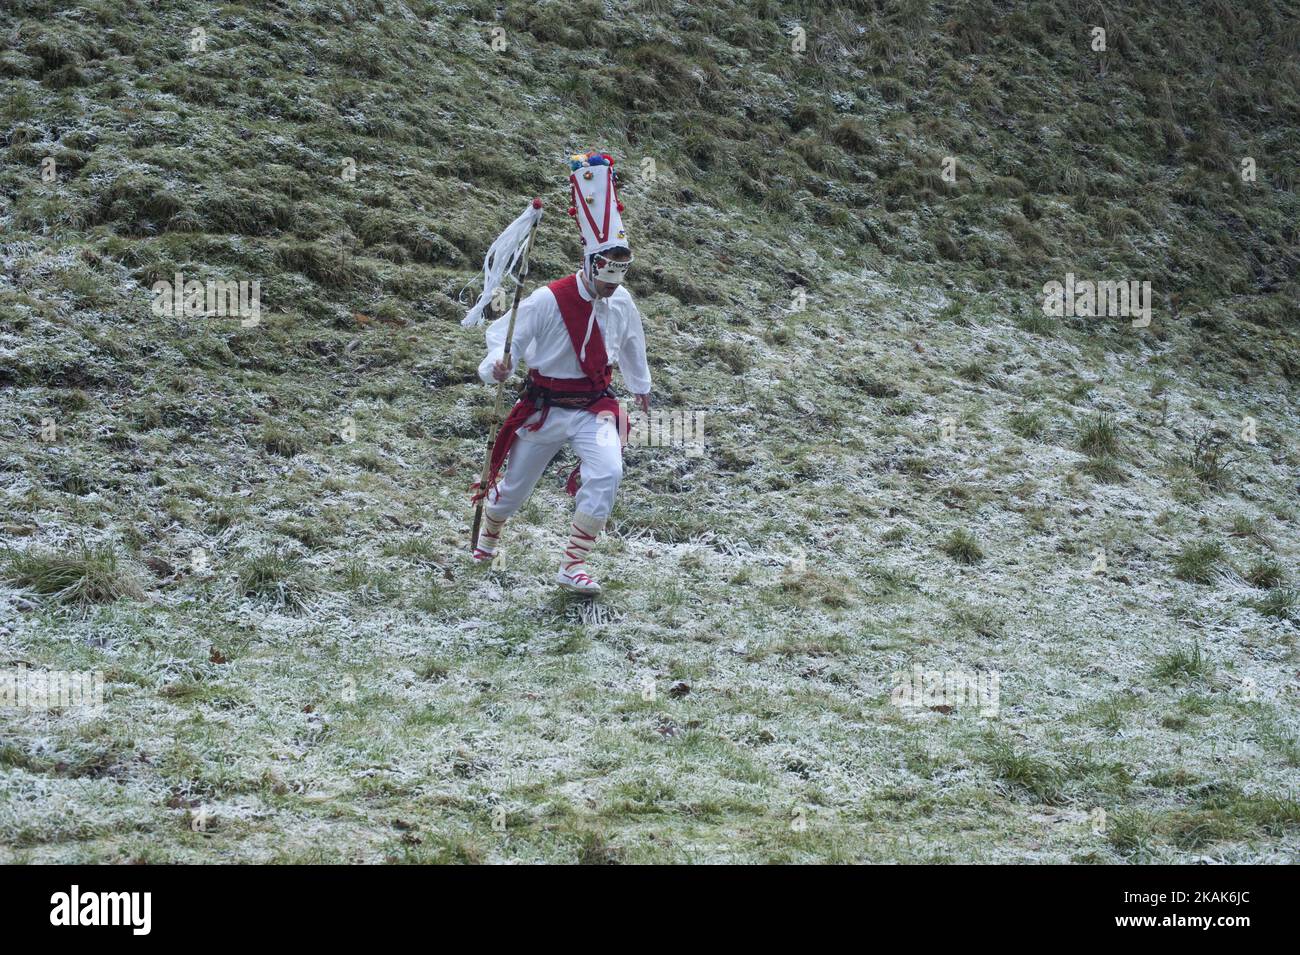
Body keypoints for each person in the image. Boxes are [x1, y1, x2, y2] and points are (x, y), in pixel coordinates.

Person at [470, 152, 652, 595]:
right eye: (607, 281)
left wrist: (640, 386)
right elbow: (503, 337)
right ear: (591, 265)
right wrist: (499, 366)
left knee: (608, 472)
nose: (612, 289)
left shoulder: (621, 300)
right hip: (544, 407)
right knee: (512, 491)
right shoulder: (547, 301)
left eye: (618, 282)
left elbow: (631, 342)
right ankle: (488, 538)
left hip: (595, 407)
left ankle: (572, 566)